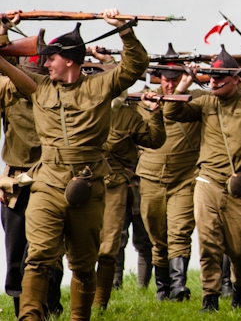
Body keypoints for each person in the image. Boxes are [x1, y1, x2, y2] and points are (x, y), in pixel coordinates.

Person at [0, 9, 149, 321]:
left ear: (68, 59)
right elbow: (7, 71)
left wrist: (124, 30)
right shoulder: (39, 87)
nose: (45, 63)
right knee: (38, 257)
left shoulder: (100, 86)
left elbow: (135, 66)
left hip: (88, 185)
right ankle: (29, 317)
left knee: (82, 264)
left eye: (50, 58)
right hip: (46, 184)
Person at [159, 46, 241, 313]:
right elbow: (171, 114)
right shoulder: (204, 101)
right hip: (208, 183)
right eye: (211, 76)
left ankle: (239, 288)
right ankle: (209, 298)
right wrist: (184, 84)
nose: (213, 81)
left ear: (235, 79)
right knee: (209, 244)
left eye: (219, 77)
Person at [0, 18, 64, 318]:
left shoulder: (60, 93)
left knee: (47, 255)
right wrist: (2, 29)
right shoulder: (7, 91)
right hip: (15, 182)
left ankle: (48, 307)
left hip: (51, 180)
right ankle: (21, 311)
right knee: (16, 254)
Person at [136, 45, 207, 302]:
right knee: (157, 235)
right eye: (167, 79)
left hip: (184, 178)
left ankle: (178, 287)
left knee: (179, 231)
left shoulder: (196, 98)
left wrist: (184, 87)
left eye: (176, 79)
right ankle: (163, 287)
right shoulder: (142, 100)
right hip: (151, 177)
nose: (170, 84)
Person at [92, 69, 165, 310]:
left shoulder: (128, 115)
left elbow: (153, 141)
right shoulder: (79, 109)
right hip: (82, 182)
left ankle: (100, 302)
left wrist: (155, 112)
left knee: (115, 243)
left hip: (117, 183)